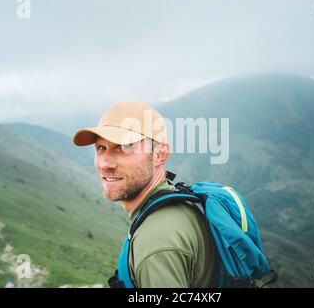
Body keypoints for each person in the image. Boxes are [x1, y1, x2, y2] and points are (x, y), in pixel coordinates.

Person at [73, 100, 219, 287]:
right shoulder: (177, 208)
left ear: (160, 154)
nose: (104, 164)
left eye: (125, 147)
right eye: (101, 148)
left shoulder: (157, 243)